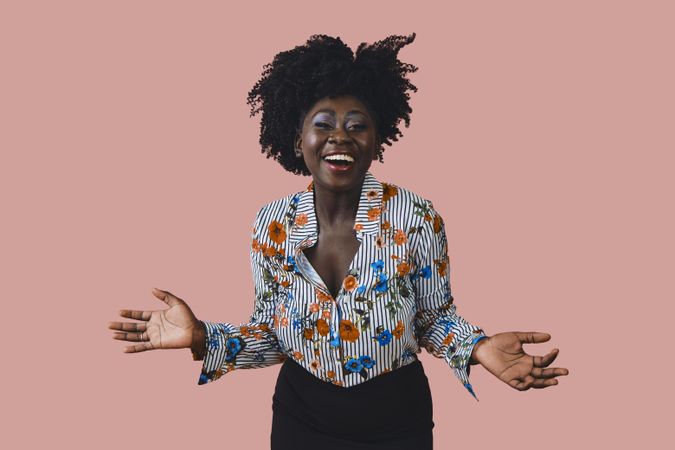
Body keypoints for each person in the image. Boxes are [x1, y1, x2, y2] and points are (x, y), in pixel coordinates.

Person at [108, 33, 569, 449]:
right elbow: (273, 333)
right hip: (301, 418)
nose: (339, 138)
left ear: (377, 139)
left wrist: (479, 348)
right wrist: (203, 337)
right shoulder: (271, 225)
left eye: (357, 125)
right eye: (324, 124)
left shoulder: (416, 217)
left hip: (397, 420)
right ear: (297, 139)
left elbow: (432, 317)